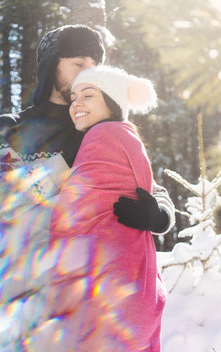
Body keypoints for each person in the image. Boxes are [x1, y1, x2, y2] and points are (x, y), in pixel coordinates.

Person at [0, 24, 175, 271]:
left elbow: (151, 187)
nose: (87, 74)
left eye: (94, 68)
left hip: (79, 287)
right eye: (79, 64)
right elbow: (2, 197)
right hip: (13, 284)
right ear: (52, 65)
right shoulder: (8, 127)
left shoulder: (104, 130)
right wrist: (66, 164)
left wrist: (159, 215)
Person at [48, 65, 166, 351]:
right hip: (135, 284)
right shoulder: (125, 136)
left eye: (88, 95)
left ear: (112, 102)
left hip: (109, 287)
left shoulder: (106, 136)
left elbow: (74, 212)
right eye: (74, 96)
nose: (76, 103)